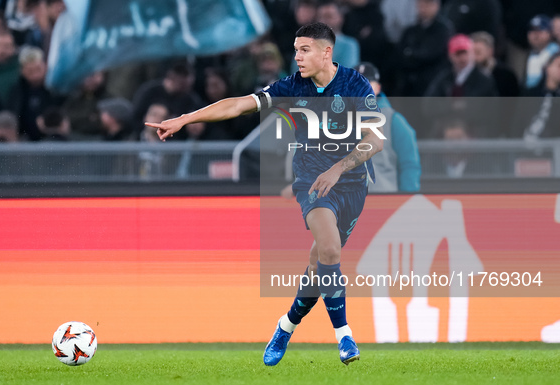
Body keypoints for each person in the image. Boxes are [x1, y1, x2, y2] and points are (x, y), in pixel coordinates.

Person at [146, 22, 384, 366]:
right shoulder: (291, 87)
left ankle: (285, 325)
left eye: (304, 50)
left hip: (352, 184)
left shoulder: (355, 85)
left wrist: (339, 168)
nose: (297, 56)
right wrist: (185, 118)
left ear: (326, 52)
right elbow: (239, 105)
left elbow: (375, 140)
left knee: (320, 264)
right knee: (330, 248)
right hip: (311, 181)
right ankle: (344, 336)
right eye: (295, 49)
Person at [357, 62, 421, 193]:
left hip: (384, 202)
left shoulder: (393, 120)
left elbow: (409, 164)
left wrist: (406, 201)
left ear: (378, 88)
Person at [524, 15, 560, 89]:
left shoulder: (556, 53)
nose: (535, 34)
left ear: (550, 33)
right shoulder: (531, 54)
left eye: (540, 30)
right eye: (532, 30)